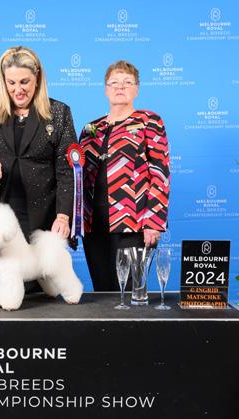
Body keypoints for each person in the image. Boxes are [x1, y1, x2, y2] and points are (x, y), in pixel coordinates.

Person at [0, 46, 77, 291]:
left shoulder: (59, 113)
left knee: (38, 293)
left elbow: (66, 170)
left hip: (39, 212)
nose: (18, 89)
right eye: (11, 83)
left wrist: (63, 215)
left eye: (25, 82)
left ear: (37, 79)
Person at [79, 60, 170, 291]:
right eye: (114, 82)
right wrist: (76, 222)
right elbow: (79, 178)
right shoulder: (91, 128)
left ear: (136, 89)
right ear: (106, 89)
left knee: (130, 293)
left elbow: (160, 173)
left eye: (127, 82)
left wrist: (154, 222)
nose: (120, 86)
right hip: (94, 227)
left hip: (133, 223)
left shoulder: (149, 121)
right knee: (102, 293)